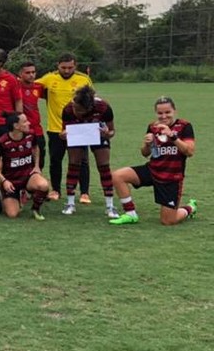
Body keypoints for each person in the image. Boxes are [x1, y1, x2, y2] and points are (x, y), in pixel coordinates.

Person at [110, 96, 197, 226]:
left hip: (171, 177)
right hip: (152, 169)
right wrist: (146, 144)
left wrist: (173, 136)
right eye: (160, 113)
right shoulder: (153, 127)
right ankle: (130, 214)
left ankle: (189, 209)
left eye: (167, 112)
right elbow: (145, 153)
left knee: (168, 221)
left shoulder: (184, 126)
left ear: (174, 111)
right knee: (117, 176)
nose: (164, 116)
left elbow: (189, 151)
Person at [37, 53, 93, 202]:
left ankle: (84, 192)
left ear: (75, 66)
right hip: (56, 128)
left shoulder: (83, 79)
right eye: (63, 68)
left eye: (70, 67)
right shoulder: (49, 78)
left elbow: (91, 102)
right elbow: (31, 87)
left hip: (78, 128)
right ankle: (55, 190)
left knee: (81, 160)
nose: (67, 71)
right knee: (56, 160)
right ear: (58, 66)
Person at [60, 86, 117, 217]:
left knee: (104, 166)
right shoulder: (68, 109)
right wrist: (62, 135)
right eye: (74, 106)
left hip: (98, 135)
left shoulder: (103, 107)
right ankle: (70, 203)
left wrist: (107, 133)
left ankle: (110, 206)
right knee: (74, 164)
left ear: (89, 108)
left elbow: (112, 131)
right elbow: (63, 131)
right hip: (78, 134)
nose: (75, 111)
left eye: (79, 110)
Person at [0, 112, 50, 220]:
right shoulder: (1, 142)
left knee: (44, 185)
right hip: (11, 180)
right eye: (25, 121)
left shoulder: (31, 135)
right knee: (12, 214)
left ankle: (35, 209)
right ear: (16, 126)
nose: (29, 123)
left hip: (28, 176)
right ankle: (8, 193)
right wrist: (3, 181)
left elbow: (36, 148)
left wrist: (36, 166)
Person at [17, 61, 45, 171]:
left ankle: (37, 184)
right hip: (20, 130)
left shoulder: (39, 87)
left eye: (33, 72)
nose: (31, 75)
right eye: (27, 72)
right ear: (20, 74)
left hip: (37, 130)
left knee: (39, 160)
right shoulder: (15, 86)